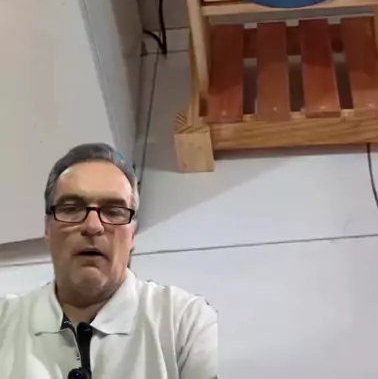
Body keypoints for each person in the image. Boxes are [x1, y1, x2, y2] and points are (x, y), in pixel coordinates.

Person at [0, 143, 218, 378]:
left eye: (113, 211)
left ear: (132, 235)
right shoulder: (5, 322)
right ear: (47, 229)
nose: (93, 226)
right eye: (71, 208)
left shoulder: (186, 323)